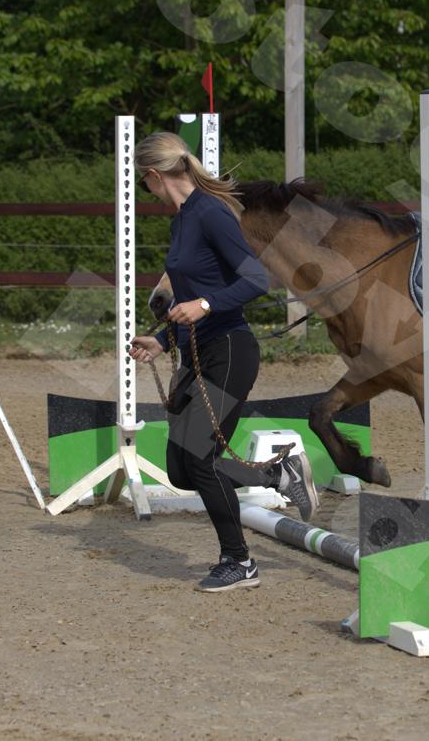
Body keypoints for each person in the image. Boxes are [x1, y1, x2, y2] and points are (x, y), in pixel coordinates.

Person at [126, 131, 319, 593]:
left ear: (153, 175)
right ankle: (277, 473)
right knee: (180, 469)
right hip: (197, 352)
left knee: (202, 459)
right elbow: (191, 300)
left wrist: (206, 305)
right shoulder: (182, 221)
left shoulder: (210, 213)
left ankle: (239, 561)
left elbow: (256, 280)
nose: (144, 189)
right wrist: (161, 340)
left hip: (229, 350)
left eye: (142, 181)